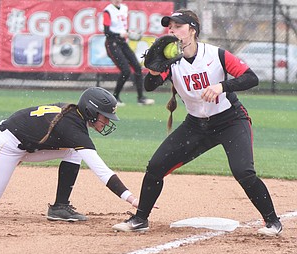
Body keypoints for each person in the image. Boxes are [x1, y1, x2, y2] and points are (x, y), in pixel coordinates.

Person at [112, 9, 282, 236]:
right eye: (170, 26)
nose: (172, 30)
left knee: (243, 171)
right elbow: (150, 86)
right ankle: (140, 219)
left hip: (230, 121)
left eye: (178, 26)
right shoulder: (171, 61)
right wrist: (153, 70)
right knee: (155, 167)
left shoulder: (215, 54)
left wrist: (222, 86)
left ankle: (273, 222)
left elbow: (251, 78)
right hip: (196, 125)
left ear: (192, 30)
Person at [0, 87, 139, 221]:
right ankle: (59, 207)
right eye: (105, 117)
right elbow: (101, 170)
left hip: (22, 144)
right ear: (91, 112)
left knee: (74, 151)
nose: (108, 122)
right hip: (4, 145)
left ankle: (60, 207)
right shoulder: (73, 130)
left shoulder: (74, 116)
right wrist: (131, 198)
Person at [103, 0, 155, 106]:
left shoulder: (124, 8)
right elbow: (107, 32)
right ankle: (115, 98)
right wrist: (119, 34)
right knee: (126, 71)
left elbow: (123, 27)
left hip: (122, 43)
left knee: (137, 68)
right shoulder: (108, 11)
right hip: (112, 43)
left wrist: (128, 33)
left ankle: (141, 98)